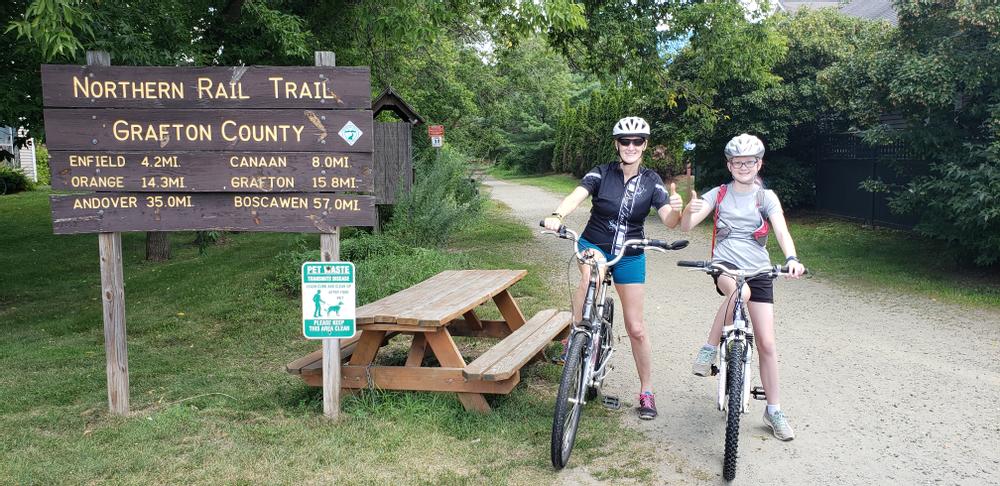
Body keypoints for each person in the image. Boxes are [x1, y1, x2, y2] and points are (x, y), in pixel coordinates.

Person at [543, 116, 684, 420]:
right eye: (625, 141)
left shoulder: (651, 181)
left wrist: (677, 209)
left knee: (635, 327)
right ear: (617, 144)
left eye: (637, 141)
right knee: (590, 276)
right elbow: (576, 196)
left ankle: (646, 391)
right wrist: (557, 215)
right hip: (594, 244)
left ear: (644, 145)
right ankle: (576, 335)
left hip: (630, 251)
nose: (630, 146)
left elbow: (670, 221)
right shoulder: (601, 172)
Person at [680, 133, 805, 440]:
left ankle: (774, 410)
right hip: (726, 267)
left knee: (767, 343)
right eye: (738, 162)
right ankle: (710, 348)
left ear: (758, 164)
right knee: (739, 292)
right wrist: (687, 208)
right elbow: (687, 226)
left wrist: (791, 258)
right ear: (729, 165)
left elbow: (781, 231)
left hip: (760, 269)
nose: (744, 167)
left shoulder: (766, 198)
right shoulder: (719, 194)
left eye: (749, 162)